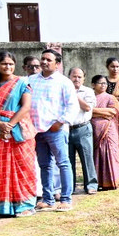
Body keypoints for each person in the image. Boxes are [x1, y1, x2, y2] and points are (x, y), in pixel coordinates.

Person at [0, 52, 37, 217]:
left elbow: (25, 107)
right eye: (4, 64)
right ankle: (2, 208)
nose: (8, 67)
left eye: (11, 64)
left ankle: (24, 205)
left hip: (18, 129)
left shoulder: (22, 83)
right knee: (0, 167)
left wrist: (9, 125)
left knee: (23, 166)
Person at [28, 49, 78, 211]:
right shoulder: (31, 80)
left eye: (48, 60)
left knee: (63, 163)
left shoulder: (63, 82)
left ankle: (66, 199)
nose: (44, 62)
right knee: (44, 165)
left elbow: (72, 105)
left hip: (56, 129)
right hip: (37, 130)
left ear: (57, 64)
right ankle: (48, 199)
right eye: (42, 59)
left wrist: (60, 122)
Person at [89, 76, 119, 190]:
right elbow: (86, 111)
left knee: (111, 153)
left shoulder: (110, 98)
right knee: (97, 155)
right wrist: (99, 112)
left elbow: (112, 112)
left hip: (109, 131)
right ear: (93, 85)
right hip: (95, 132)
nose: (103, 85)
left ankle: (112, 181)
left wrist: (93, 111)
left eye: (105, 83)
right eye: (100, 83)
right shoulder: (90, 98)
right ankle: (99, 182)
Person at [67, 67, 98, 194]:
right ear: (69, 77)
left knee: (87, 157)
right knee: (68, 160)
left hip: (83, 128)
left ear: (84, 78)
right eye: (74, 76)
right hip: (66, 129)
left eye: (80, 77)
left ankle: (91, 185)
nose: (76, 79)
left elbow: (86, 107)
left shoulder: (88, 91)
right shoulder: (63, 90)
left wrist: (73, 94)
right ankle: (70, 187)